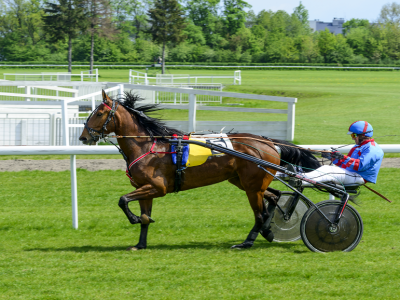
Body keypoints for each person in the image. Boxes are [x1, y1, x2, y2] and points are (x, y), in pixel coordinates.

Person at [298, 121, 384, 187]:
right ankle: (299, 175)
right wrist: (331, 157)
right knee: (325, 169)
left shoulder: (372, 149)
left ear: (362, 135)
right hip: (351, 174)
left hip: (359, 177)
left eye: (354, 136)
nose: (353, 139)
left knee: (327, 170)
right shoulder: (357, 147)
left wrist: (342, 157)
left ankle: (301, 180)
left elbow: (359, 166)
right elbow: (345, 165)